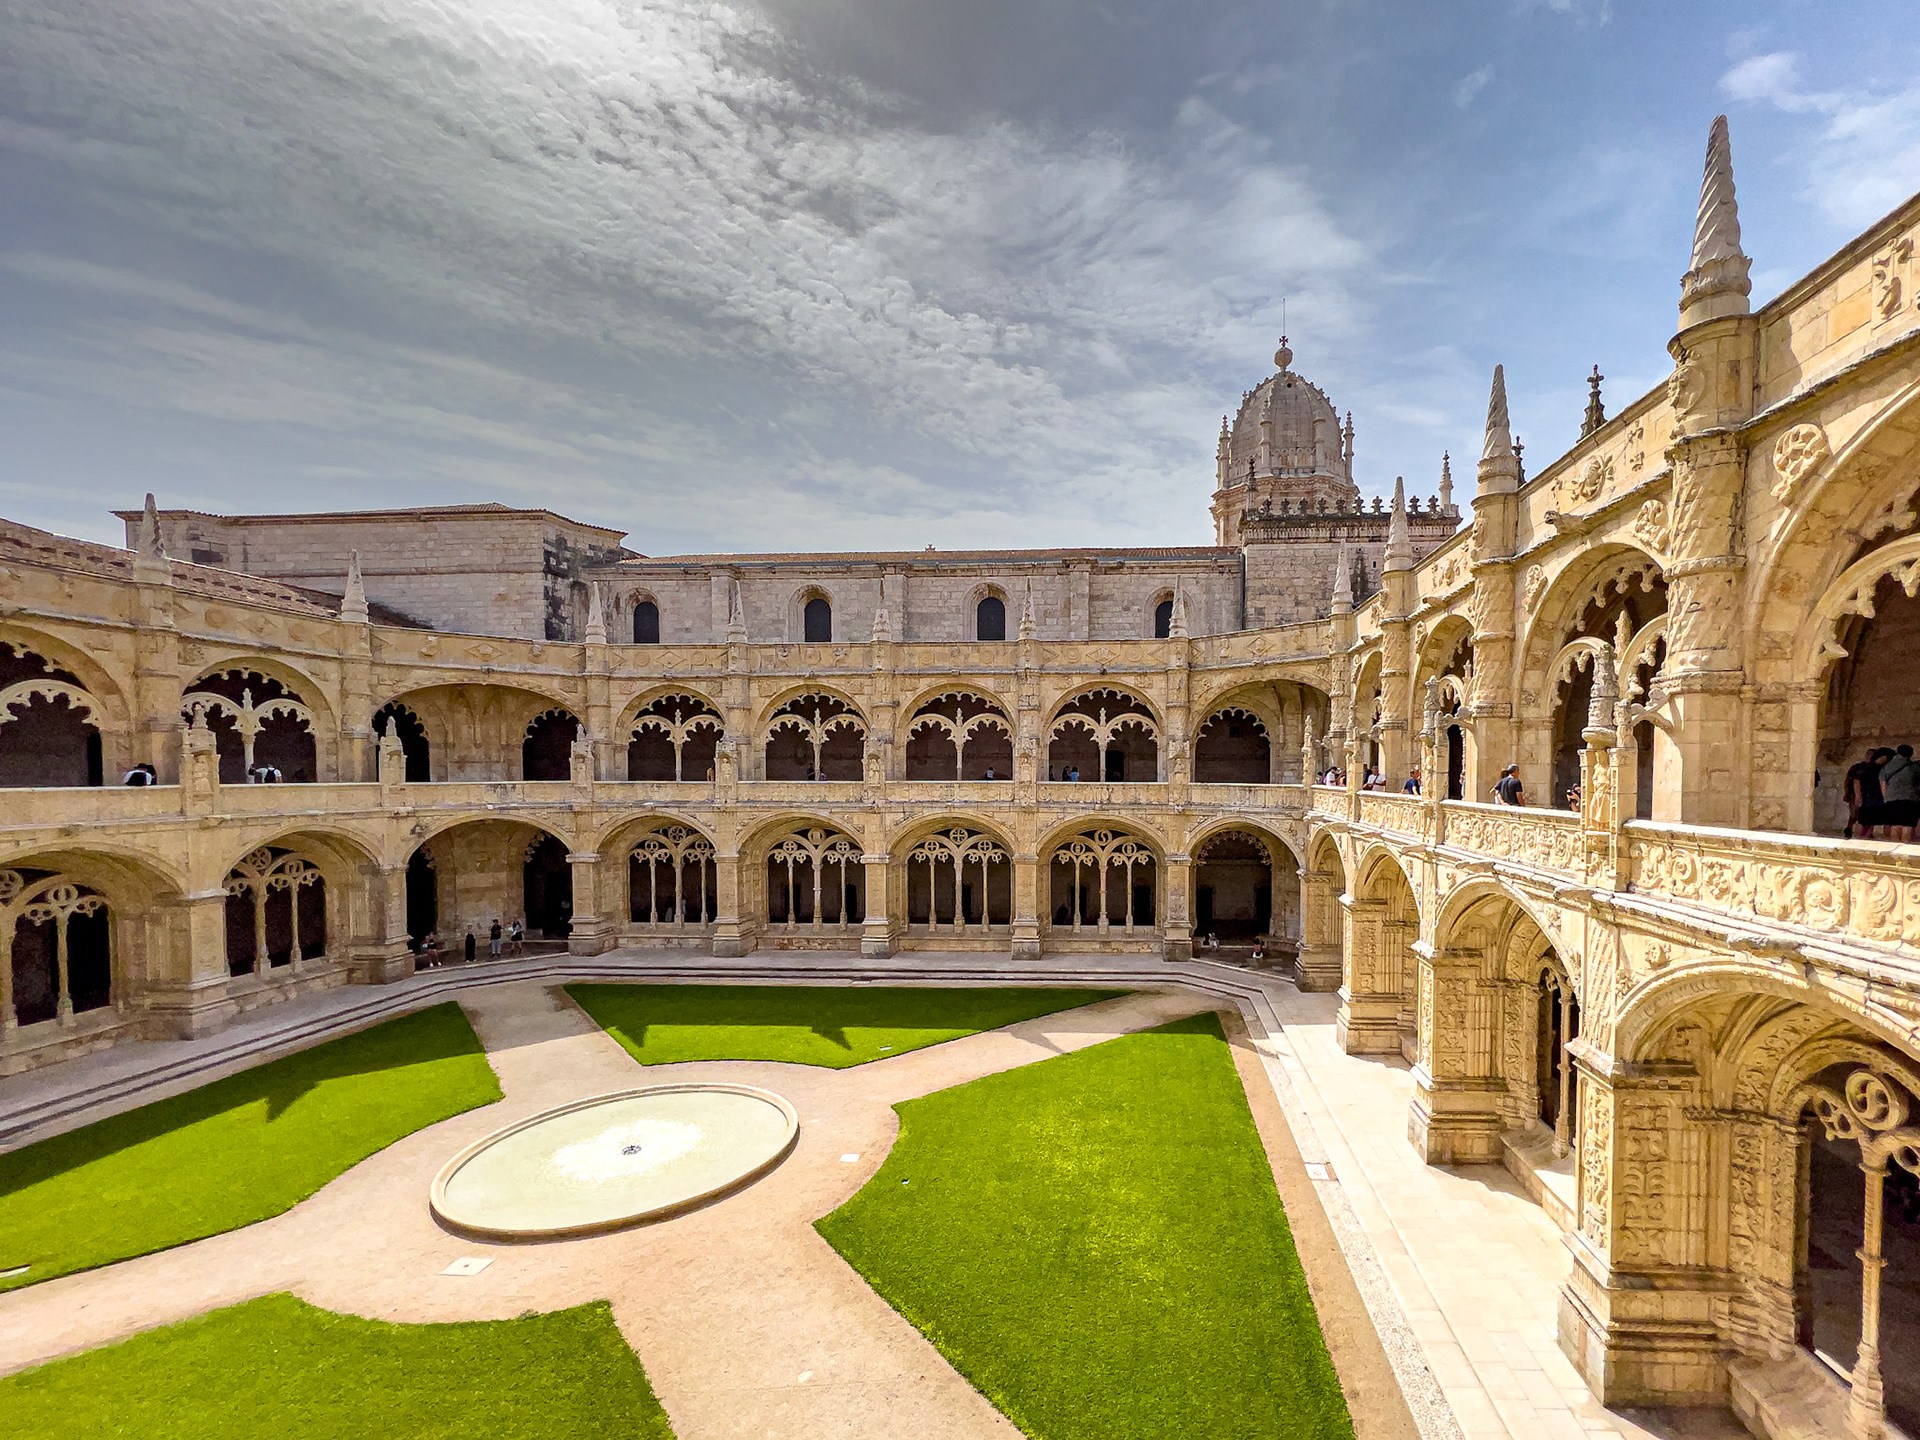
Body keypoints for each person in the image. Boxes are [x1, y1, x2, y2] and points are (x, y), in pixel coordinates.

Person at [1879, 744, 1920, 842]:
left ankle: (1894, 848)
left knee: (1894, 825)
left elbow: (1883, 785)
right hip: (1910, 799)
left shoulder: (1887, 767)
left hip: (1892, 799)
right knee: (1908, 825)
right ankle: (1905, 848)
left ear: (1897, 753)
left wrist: (1886, 799)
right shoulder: (1915, 767)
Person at [1846, 748, 1889, 838]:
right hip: (1859, 795)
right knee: (1856, 815)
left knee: (1868, 818)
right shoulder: (1859, 767)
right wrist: (1855, 794)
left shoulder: (1876, 768)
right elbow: (1852, 780)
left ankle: (1866, 835)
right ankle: (1851, 832)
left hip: (1870, 797)